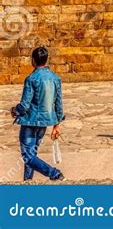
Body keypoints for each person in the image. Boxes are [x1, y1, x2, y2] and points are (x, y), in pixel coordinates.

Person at [10, 47, 64, 181]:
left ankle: (54, 173)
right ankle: (27, 181)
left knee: (28, 156)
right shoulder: (55, 78)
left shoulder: (31, 79)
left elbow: (24, 105)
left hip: (30, 121)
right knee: (31, 154)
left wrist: (14, 110)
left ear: (33, 61)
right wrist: (57, 125)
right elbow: (58, 105)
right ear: (47, 60)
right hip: (44, 122)